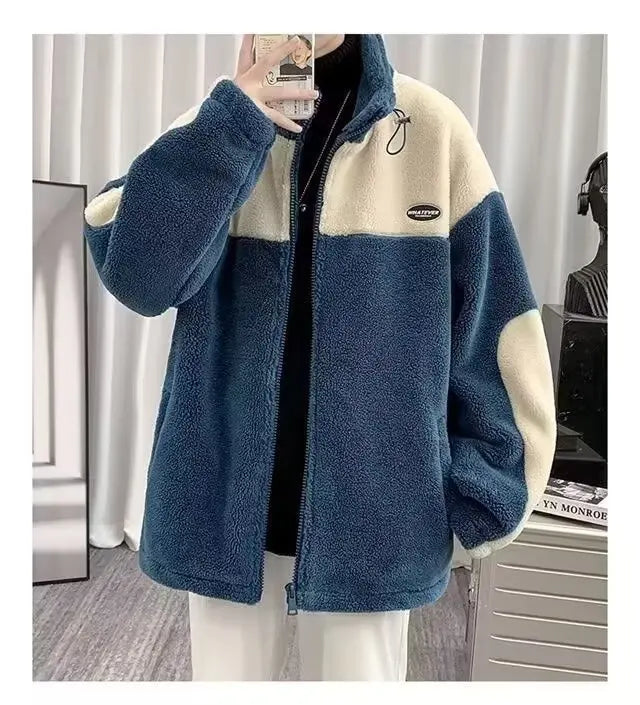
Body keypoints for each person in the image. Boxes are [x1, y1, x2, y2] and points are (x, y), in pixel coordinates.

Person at [83, 34, 556, 681]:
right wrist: (235, 124)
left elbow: (494, 317)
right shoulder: (219, 123)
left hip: (377, 516)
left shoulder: (432, 128)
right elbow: (136, 274)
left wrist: (492, 484)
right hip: (225, 506)